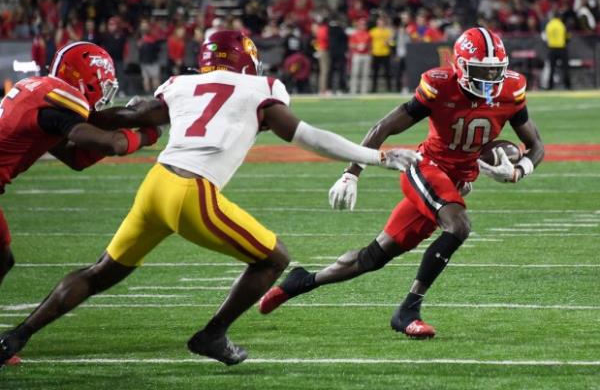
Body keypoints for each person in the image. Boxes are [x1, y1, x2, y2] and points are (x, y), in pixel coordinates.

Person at [0, 31, 421, 367]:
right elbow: (311, 138)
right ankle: (212, 335)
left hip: (156, 186)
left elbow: (126, 115)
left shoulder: (181, 84)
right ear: (247, 60)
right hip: (191, 193)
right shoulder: (262, 88)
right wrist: (376, 157)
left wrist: (68, 117)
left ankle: (16, 336)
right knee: (274, 259)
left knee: (99, 273)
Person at [259, 27, 545, 339]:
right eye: (482, 71)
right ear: (460, 66)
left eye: (495, 72)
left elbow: (536, 144)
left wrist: (519, 171)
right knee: (458, 225)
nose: (490, 80)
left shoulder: (511, 89)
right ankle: (408, 310)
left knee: (373, 258)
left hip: (455, 180)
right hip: (426, 167)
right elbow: (384, 127)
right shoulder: (440, 85)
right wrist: (351, 173)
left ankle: (302, 281)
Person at [0, 41, 160, 364]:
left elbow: (75, 157)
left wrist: (131, 117)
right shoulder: (58, 103)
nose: (104, 92)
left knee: (1, 260)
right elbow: (110, 142)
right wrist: (147, 136)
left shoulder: (39, 94)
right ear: (88, 78)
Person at [543, 12, 571, 90]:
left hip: (552, 48)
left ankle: (550, 85)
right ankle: (567, 85)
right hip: (561, 48)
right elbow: (567, 36)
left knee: (552, 68)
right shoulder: (561, 25)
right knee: (565, 68)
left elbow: (546, 37)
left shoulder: (549, 25)